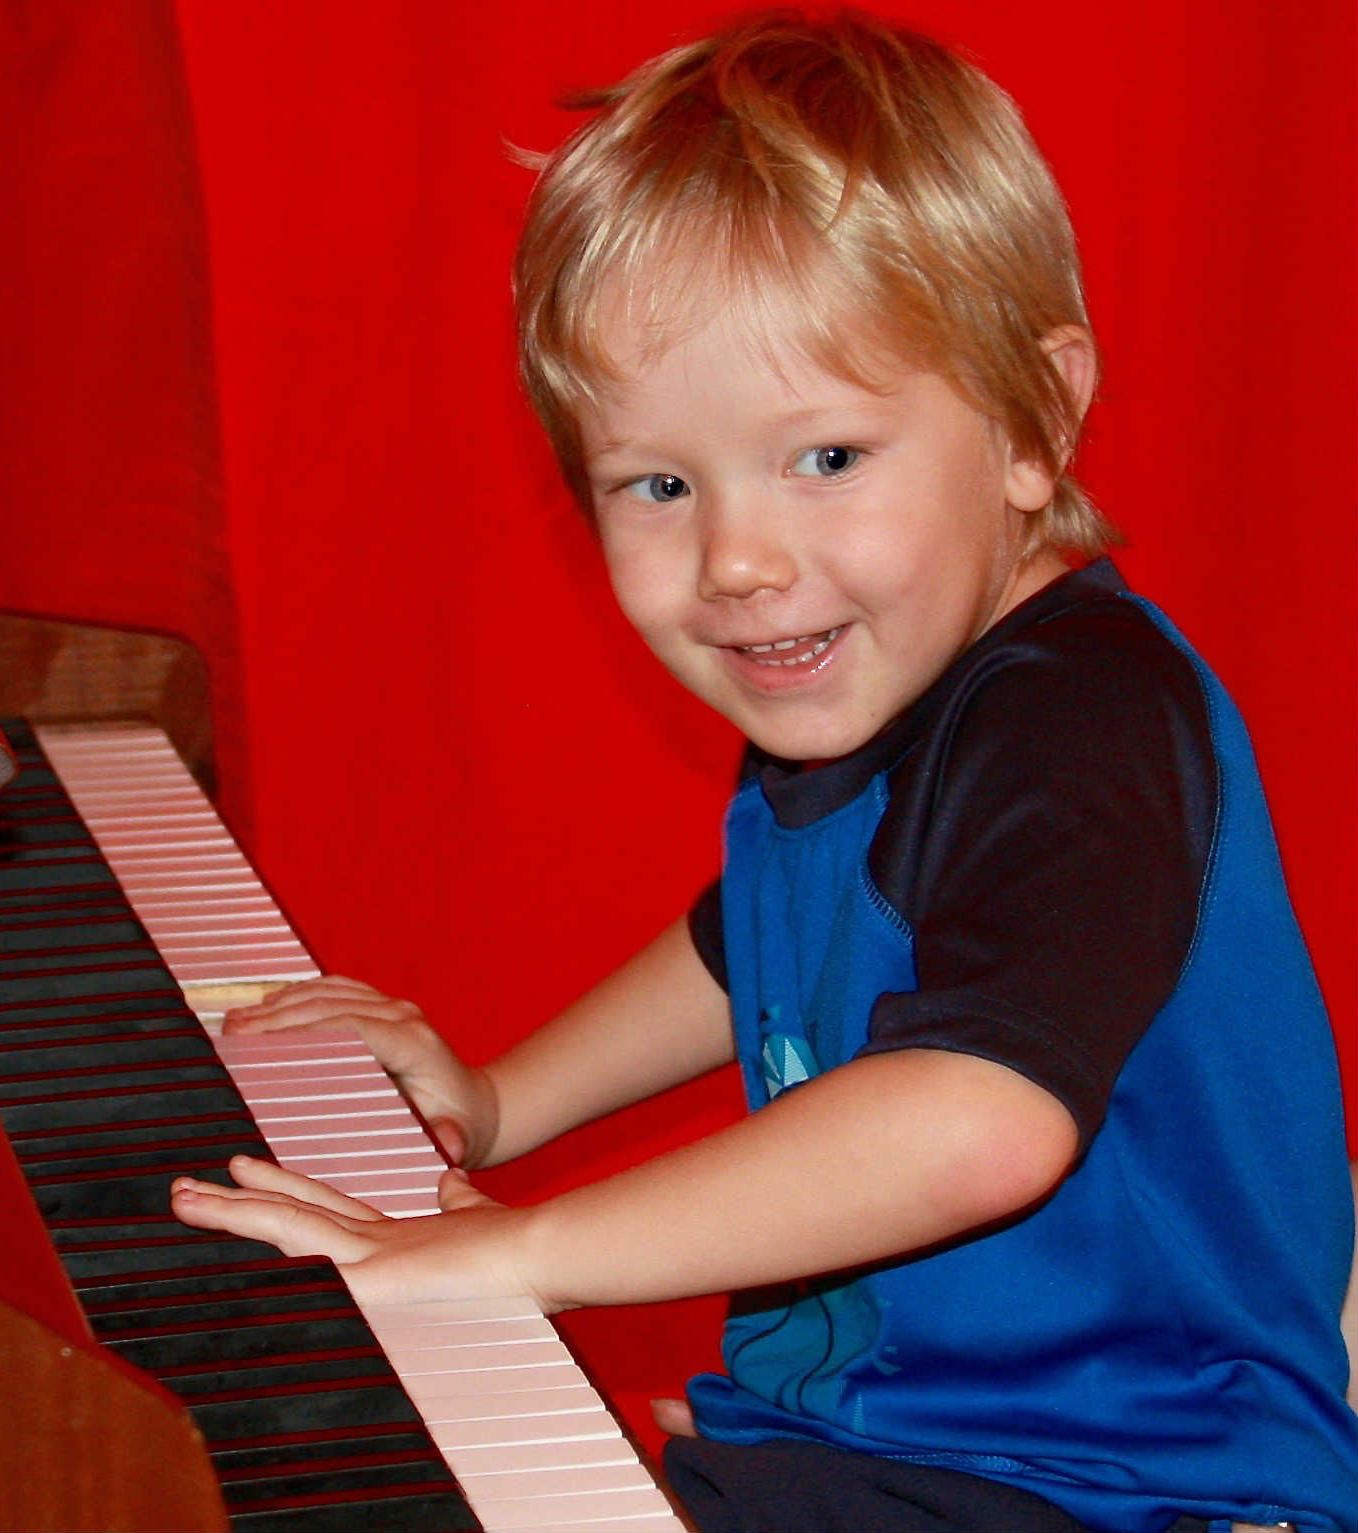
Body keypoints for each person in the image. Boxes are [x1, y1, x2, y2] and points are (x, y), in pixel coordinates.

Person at [170, 12, 1358, 1530]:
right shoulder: (867, 667)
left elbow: (979, 1118)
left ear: (1034, 420)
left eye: (828, 459)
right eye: (660, 484)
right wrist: (499, 1096)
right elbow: (759, 939)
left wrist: (522, 1251)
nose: (738, 560)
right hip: (898, 1448)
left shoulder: (1085, 720)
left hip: (1130, 1489)